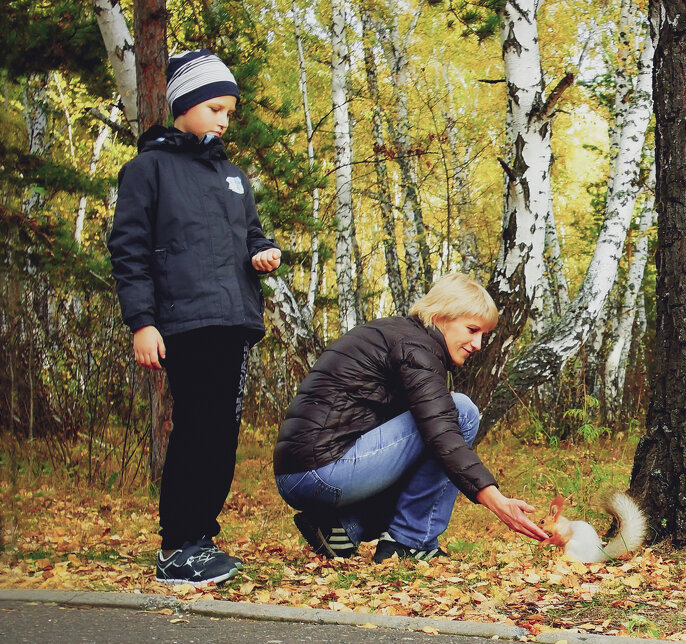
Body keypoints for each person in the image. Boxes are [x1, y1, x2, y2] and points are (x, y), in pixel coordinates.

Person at [108, 50, 282, 586]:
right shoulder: (147, 169)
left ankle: (202, 538)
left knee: (222, 434)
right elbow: (129, 250)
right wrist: (142, 322)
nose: (224, 120)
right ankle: (175, 546)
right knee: (194, 430)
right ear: (184, 106)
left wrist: (263, 250)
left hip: (234, 320)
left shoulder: (234, 178)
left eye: (229, 111)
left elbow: (250, 232)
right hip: (183, 322)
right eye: (214, 108)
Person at [273, 273, 548, 562]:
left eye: (482, 335)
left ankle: (343, 526)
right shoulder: (415, 347)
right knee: (461, 412)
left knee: (429, 438)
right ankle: (409, 541)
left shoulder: (400, 335)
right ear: (442, 315)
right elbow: (443, 434)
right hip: (323, 471)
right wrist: (496, 500)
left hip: (300, 474)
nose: (477, 344)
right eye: (471, 329)